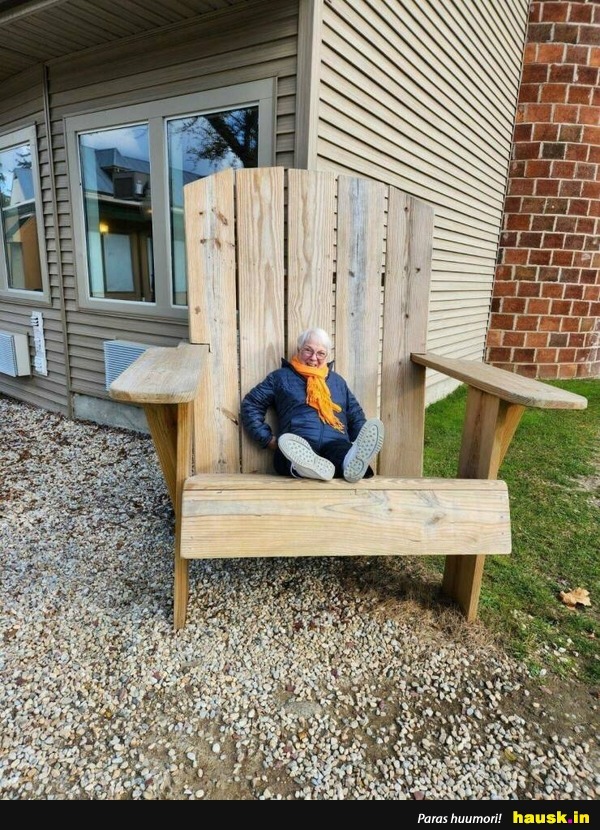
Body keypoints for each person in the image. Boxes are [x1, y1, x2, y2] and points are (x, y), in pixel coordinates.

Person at [241, 327, 384, 482]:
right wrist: (267, 439)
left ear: (327, 356)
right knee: (288, 456)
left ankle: (349, 461)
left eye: (320, 353)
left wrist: (359, 442)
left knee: (343, 454)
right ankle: (304, 467)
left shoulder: (337, 382)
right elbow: (251, 404)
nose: (314, 358)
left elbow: (355, 415)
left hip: (335, 442)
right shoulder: (281, 377)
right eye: (308, 350)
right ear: (299, 350)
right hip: (298, 443)